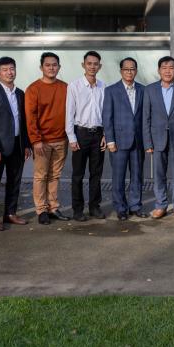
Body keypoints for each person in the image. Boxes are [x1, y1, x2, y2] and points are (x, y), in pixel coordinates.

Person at [0, 57, 32, 231]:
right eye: (5, 69)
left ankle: (10, 213)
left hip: (17, 145)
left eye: (12, 68)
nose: (9, 72)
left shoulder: (20, 94)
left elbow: (23, 121)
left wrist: (26, 144)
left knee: (15, 181)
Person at [143, 56, 174, 219]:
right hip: (157, 139)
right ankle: (161, 205)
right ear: (159, 70)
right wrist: (147, 141)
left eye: (171, 67)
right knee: (159, 174)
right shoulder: (149, 90)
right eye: (164, 67)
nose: (167, 71)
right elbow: (146, 118)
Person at [25, 52, 70, 225]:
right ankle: (41, 210)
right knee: (40, 176)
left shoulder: (65, 87)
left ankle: (53, 207)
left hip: (61, 139)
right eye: (48, 65)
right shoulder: (33, 89)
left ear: (59, 67)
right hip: (42, 141)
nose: (51, 68)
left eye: (54, 65)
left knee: (55, 175)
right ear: (41, 67)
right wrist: (35, 140)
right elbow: (31, 117)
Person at [102, 57, 148, 221]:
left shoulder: (143, 90)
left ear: (136, 70)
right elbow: (107, 117)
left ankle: (135, 206)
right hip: (118, 142)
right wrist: (110, 141)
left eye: (132, 69)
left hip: (138, 141)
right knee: (118, 177)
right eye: (126, 69)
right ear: (121, 71)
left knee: (137, 176)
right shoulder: (111, 90)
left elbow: (145, 117)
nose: (129, 72)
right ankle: (121, 208)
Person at [66, 51, 107, 221]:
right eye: (89, 63)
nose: (92, 67)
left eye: (95, 64)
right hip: (80, 133)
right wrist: (71, 137)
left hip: (98, 134)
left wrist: (106, 134)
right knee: (78, 174)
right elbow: (69, 113)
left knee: (96, 174)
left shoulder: (104, 86)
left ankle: (94, 207)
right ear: (83, 65)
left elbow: (106, 113)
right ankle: (77, 209)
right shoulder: (74, 86)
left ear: (100, 66)